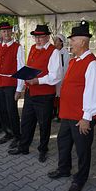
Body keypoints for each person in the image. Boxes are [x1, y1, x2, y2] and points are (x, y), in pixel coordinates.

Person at [47, 20, 96, 191]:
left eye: (73, 40)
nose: (70, 43)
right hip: (67, 113)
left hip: (81, 117)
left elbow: (93, 93)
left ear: (83, 42)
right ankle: (64, 169)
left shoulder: (92, 63)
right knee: (63, 143)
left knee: (82, 150)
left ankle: (80, 179)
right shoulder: (74, 61)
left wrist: (87, 117)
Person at [8, 25, 61, 163]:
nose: (37, 40)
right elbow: (30, 67)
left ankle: (43, 150)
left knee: (44, 124)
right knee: (26, 121)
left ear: (47, 37)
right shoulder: (32, 48)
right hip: (31, 92)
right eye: (36, 37)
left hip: (44, 95)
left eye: (41, 37)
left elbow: (56, 76)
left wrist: (38, 80)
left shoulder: (53, 52)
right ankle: (23, 146)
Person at [0, 22, 25, 146]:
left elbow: (21, 68)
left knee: (11, 110)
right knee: (2, 110)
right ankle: (7, 132)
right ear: (0, 33)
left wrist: (19, 89)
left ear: (12, 32)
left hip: (11, 84)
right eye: (4, 31)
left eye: (9, 31)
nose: (7, 33)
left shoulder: (18, 47)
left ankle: (17, 135)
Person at [53, 34, 70, 120]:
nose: (55, 42)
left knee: (60, 95)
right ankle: (53, 112)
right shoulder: (53, 51)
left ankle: (59, 114)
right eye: (54, 40)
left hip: (62, 77)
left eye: (57, 40)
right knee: (54, 95)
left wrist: (64, 78)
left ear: (61, 42)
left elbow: (66, 66)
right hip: (54, 77)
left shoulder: (65, 52)